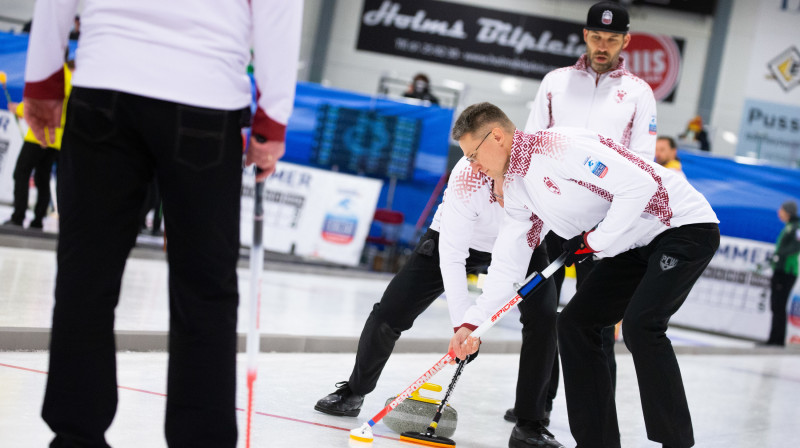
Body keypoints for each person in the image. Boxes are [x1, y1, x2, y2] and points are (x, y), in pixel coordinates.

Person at [23, 1, 302, 447]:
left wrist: (42, 78)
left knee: (85, 271)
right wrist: (272, 120)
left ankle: (75, 434)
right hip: (204, 97)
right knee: (204, 286)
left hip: (106, 82)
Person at [449, 102, 719, 448]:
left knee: (641, 325)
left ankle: (676, 442)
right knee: (575, 324)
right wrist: (474, 322)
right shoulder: (515, 189)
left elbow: (639, 186)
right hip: (629, 246)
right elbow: (509, 259)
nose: (474, 166)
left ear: (496, 136)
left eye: (473, 155)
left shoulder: (559, 146)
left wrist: (595, 240)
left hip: (681, 226)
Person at [314, 156, 564, 448]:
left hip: (522, 245)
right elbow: (453, 257)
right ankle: (354, 391)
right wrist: (463, 324)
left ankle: (529, 423)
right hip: (455, 240)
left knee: (545, 319)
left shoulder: (540, 176)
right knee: (390, 312)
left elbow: (508, 268)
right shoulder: (468, 175)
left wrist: (477, 325)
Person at [510, 0, 658, 427]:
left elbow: (643, 162)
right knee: (541, 318)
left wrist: (616, 223)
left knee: (592, 325)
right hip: (554, 214)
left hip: (606, 226)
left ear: (626, 40)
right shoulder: (556, 82)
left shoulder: (638, 93)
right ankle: (535, 406)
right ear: (584, 35)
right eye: (596, 36)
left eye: (612, 38)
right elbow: (532, 141)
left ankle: (596, 415)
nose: (602, 45)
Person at [3, 63, 71, 230]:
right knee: (43, 177)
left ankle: (18, 216)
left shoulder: (53, 73)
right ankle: (38, 219)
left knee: (21, 172)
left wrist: (19, 109)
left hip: (39, 136)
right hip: (57, 139)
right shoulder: (71, 78)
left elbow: (41, 102)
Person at [765, 201, 800, 346]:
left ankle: (777, 341)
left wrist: (779, 255)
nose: (779, 212)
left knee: (779, 305)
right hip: (781, 270)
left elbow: (796, 246)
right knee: (776, 305)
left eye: (781, 209)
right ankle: (774, 339)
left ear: (787, 211)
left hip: (786, 271)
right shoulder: (790, 227)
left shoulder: (795, 227)